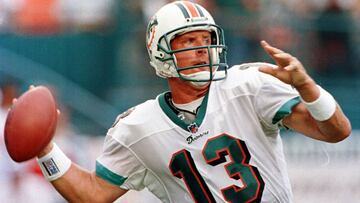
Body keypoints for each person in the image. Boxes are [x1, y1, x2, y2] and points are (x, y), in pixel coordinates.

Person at [26, 1, 351, 202]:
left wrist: (308, 88)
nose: (201, 49)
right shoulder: (138, 127)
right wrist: (45, 150)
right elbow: (93, 195)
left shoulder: (248, 85)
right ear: (162, 52)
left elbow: (336, 131)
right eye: (188, 41)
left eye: (207, 40)